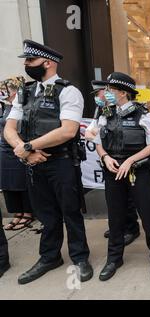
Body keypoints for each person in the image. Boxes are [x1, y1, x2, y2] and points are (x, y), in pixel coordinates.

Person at [4, 39, 92, 284]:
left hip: (61, 162)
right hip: (34, 163)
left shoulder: (69, 91)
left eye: (30, 60)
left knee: (70, 212)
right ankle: (49, 256)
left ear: (48, 63)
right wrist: (25, 151)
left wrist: (30, 146)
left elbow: (68, 131)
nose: (27, 65)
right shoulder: (25, 92)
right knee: (46, 214)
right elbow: (10, 129)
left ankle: (80, 257)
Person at [93, 72, 150, 281]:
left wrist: (129, 161)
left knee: (148, 216)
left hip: (138, 172)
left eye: (110, 90)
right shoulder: (104, 113)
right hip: (112, 172)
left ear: (123, 93)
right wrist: (105, 157)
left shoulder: (142, 114)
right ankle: (114, 258)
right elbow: (97, 140)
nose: (106, 94)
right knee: (115, 217)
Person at [85, 80, 140, 246]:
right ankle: (118, 227)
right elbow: (90, 132)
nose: (98, 97)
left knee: (129, 198)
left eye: (100, 93)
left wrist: (99, 134)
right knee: (115, 200)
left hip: (126, 160)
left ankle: (131, 228)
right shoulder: (103, 111)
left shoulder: (129, 109)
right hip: (108, 158)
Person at [0, 77, 34, 231]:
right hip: (4, 151)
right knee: (8, 184)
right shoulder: (4, 106)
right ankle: (17, 213)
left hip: (19, 148)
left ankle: (27, 213)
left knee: (21, 182)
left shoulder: (23, 105)